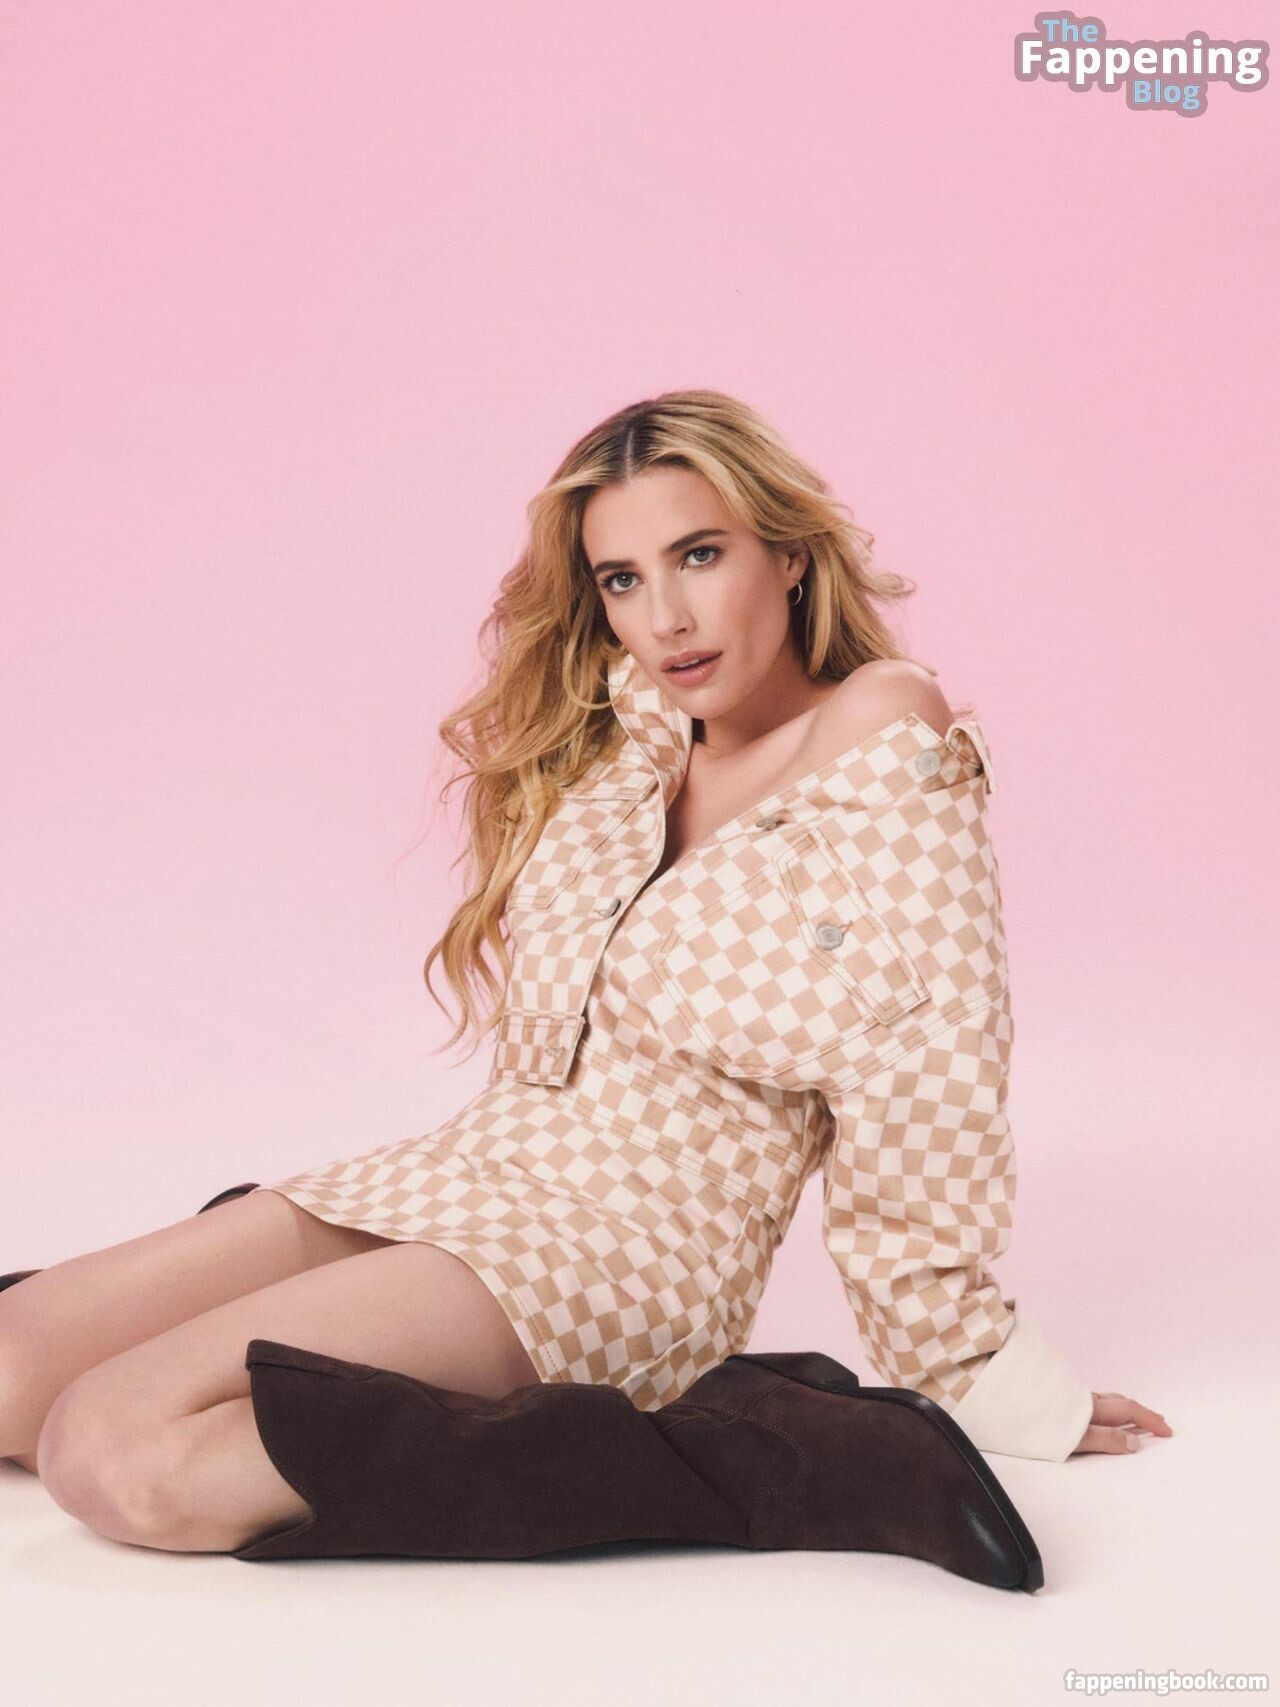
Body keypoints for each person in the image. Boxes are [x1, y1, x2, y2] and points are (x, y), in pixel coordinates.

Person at [0, 389, 1171, 1565]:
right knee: (13, 1375)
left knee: (114, 1455)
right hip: (469, 1173)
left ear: (789, 555)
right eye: (621, 578)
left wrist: (960, 1360)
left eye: (699, 555)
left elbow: (929, 1060)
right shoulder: (624, 740)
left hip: (628, 1249)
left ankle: (751, 1457)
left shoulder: (876, 731)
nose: (666, 617)